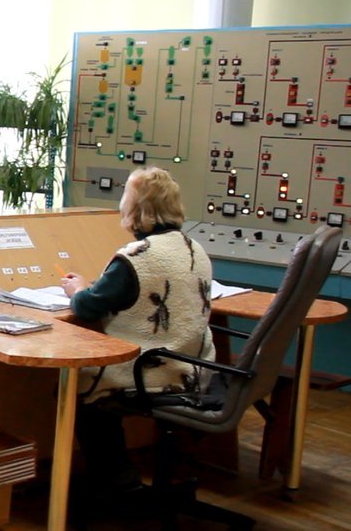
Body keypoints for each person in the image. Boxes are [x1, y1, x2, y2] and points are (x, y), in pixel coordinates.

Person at [60, 166, 215, 494]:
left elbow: (87, 307)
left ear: (136, 208)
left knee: (83, 391)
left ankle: (117, 485)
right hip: (192, 366)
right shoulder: (195, 248)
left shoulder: (136, 257)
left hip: (149, 372)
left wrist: (78, 290)